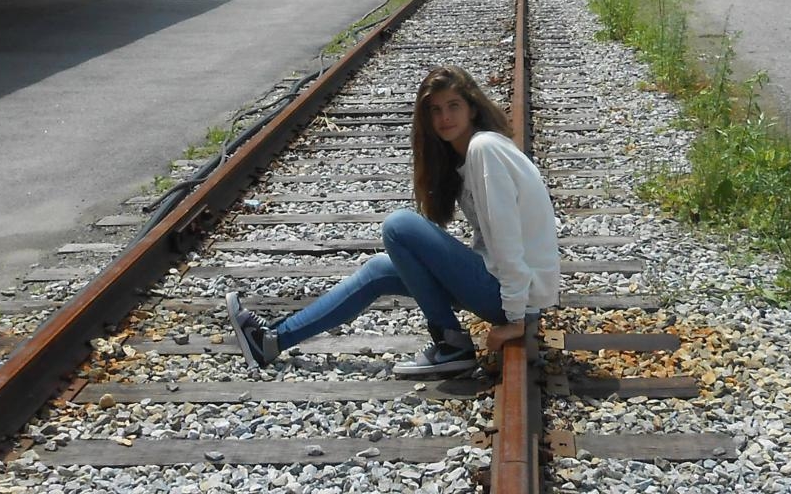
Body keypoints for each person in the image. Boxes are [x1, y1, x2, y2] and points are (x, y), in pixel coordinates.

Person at [226, 65, 560, 377]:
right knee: (379, 270)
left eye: (453, 106)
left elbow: (506, 238)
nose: (444, 117)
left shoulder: (484, 149)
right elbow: (491, 242)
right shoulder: (467, 155)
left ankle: (450, 342)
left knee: (399, 226)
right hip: (509, 292)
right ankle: (272, 341)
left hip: (516, 298)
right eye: (435, 110)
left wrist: (516, 319)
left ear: (472, 108)